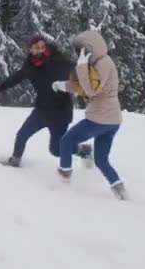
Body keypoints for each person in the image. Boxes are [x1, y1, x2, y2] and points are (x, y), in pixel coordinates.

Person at [0, 36, 92, 167]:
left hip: (60, 114)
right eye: (36, 48)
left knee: (56, 150)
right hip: (41, 111)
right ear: (30, 49)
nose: (40, 50)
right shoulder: (30, 67)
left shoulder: (58, 62)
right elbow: (13, 80)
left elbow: (78, 72)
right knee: (22, 135)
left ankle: (82, 150)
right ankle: (15, 161)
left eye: (42, 47)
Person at [52, 31, 127, 200]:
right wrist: (63, 85)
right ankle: (119, 189)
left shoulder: (104, 63)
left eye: (81, 51)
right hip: (111, 120)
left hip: (100, 118)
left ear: (90, 49)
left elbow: (90, 90)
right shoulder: (98, 63)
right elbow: (83, 85)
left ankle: (64, 178)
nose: (79, 54)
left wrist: (81, 66)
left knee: (66, 141)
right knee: (101, 159)